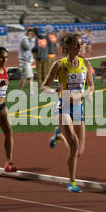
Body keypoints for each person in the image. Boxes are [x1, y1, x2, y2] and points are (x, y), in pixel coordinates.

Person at [40, 33, 94, 192]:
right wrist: (53, 91)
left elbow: (91, 85)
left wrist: (89, 93)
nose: (80, 46)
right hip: (63, 107)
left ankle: (59, 135)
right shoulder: (59, 64)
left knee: (79, 152)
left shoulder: (85, 63)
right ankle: (72, 182)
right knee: (74, 145)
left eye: (81, 44)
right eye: (76, 44)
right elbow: (43, 86)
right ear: (68, 46)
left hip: (79, 108)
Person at [18, 27, 36, 95]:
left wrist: (31, 58)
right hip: (24, 61)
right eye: (29, 31)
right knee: (29, 77)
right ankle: (31, 92)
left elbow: (29, 50)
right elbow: (28, 47)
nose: (30, 33)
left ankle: (19, 91)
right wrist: (32, 40)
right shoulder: (24, 38)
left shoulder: (26, 38)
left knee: (25, 77)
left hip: (26, 60)